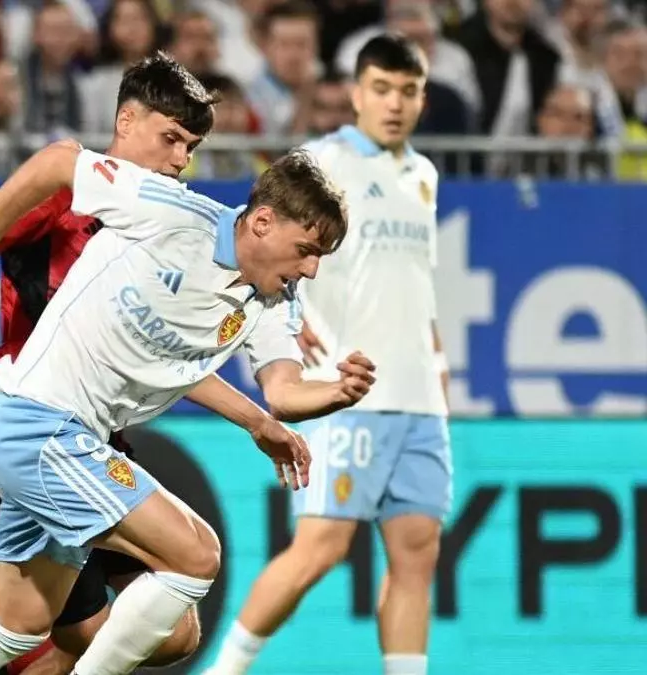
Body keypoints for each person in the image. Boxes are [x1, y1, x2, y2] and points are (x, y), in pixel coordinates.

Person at [0, 94, 380, 675]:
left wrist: (336, 392)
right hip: (37, 424)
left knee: (17, 628)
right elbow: (60, 161)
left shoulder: (275, 300)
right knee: (197, 554)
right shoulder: (172, 212)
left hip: (65, 435)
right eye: (307, 251)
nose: (311, 269)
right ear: (263, 222)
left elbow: (284, 392)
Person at [202, 34, 450, 675]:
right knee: (321, 547)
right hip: (346, 387)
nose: (394, 104)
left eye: (408, 92)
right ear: (357, 93)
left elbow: (419, 282)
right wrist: (293, 314)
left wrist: (437, 362)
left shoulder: (424, 176)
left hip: (420, 396)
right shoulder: (323, 161)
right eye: (382, 89)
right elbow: (268, 239)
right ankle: (227, 668)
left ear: (422, 100)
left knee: (417, 551)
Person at [0, 53, 213, 675]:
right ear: (125, 121)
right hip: (30, 423)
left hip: (94, 438)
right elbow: (49, 170)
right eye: (171, 139)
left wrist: (260, 419)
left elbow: (168, 356)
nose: (180, 160)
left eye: (191, 147)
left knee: (172, 632)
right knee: (82, 632)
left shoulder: (161, 229)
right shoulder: (66, 199)